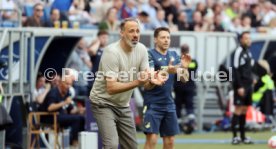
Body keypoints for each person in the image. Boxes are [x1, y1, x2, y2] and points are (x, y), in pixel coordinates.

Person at [89, 18, 164, 149]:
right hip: (102, 103)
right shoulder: (111, 52)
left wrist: (153, 82)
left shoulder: (142, 50)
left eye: (137, 31)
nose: (135, 35)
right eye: (131, 31)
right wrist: (137, 82)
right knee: (111, 145)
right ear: (122, 33)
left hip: (123, 105)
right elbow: (111, 88)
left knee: (131, 147)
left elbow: (146, 84)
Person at [143, 27, 191, 149]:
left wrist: (184, 68)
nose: (166, 40)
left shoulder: (174, 55)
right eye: (163, 37)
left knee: (170, 141)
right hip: (152, 104)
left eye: (168, 38)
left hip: (169, 104)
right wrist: (167, 70)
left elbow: (184, 79)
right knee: (152, 140)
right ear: (155, 39)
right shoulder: (149, 55)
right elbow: (149, 81)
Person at [39, 73, 85, 147]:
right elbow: (50, 108)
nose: (68, 86)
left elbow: (71, 111)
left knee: (82, 118)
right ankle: (73, 143)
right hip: (49, 117)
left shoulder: (66, 93)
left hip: (60, 116)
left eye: (70, 84)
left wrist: (80, 110)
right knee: (77, 119)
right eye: (67, 84)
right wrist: (64, 102)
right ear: (60, 83)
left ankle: (75, 141)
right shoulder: (54, 92)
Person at [231, 31, 256, 145]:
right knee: (238, 109)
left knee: (245, 110)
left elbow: (249, 69)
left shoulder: (248, 53)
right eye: (246, 38)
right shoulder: (238, 51)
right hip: (241, 86)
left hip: (248, 85)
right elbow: (235, 69)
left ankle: (243, 136)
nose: (248, 40)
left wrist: (252, 79)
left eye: (249, 38)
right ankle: (235, 137)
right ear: (241, 39)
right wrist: (239, 86)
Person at [174, 44, 197, 134]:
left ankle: (179, 126)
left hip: (178, 87)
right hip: (189, 87)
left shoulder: (177, 61)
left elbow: (175, 73)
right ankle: (190, 124)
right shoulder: (193, 61)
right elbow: (193, 72)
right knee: (189, 106)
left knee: (178, 107)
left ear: (181, 50)